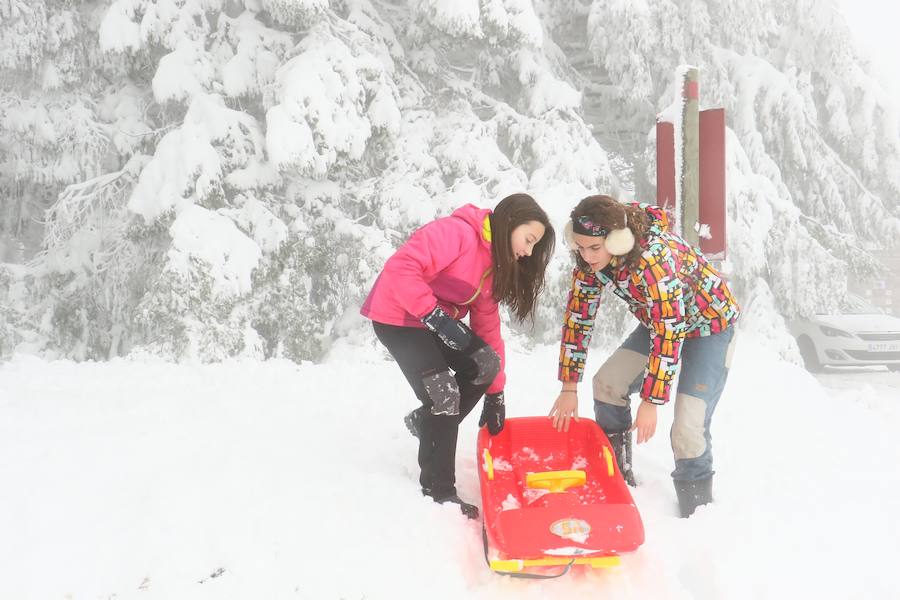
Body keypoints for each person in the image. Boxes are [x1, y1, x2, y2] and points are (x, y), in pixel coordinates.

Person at [361, 193, 555, 519]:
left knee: (486, 363)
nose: (527, 251)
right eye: (529, 240)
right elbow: (400, 268)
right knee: (444, 393)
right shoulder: (458, 233)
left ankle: (428, 424)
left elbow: (488, 327)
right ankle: (439, 491)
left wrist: (495, 393)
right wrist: (434, 317)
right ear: (510, 223)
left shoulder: (492, 267)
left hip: (434, 323)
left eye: (534, 246)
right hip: (398, 317)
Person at [548, 195, 739, 517]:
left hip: (710, 330)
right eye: (580, 247)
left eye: (594, 248)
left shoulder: (654, 260)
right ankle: (618, 479)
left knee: (687, 427)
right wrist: (569, 387)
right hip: (658, 324)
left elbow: (670, 329)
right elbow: (578, 318)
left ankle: (698, 515)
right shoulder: (589, 262)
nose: (586, 255)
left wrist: (651, 400)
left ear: (617, 240)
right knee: (607, 384)